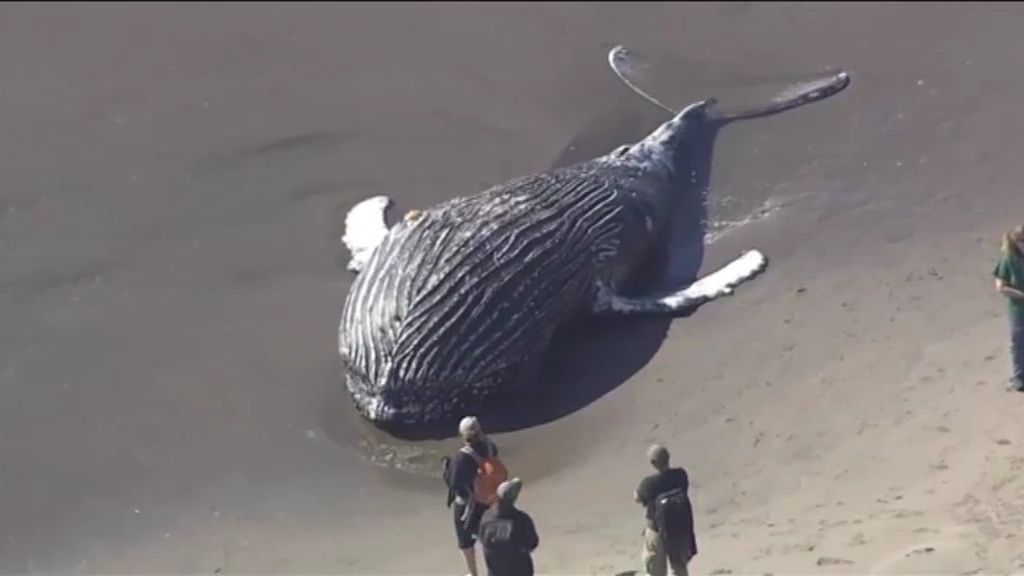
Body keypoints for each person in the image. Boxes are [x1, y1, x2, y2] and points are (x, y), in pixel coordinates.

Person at [444, 416, 509, 576]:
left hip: (469, 506)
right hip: (490, 501)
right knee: (488, 538)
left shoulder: (461, 458)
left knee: (466, 542)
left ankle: (473, 573)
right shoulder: (490, 447)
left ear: (463, 435)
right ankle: (492, 570)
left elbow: (454, 484)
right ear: (480, 430)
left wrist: (447, 469)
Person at [634, 444, 696, 576]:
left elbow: (637, 498)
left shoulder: (649, 483)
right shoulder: (680, 475)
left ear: (653, 463)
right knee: (679, 569)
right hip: (678, 529)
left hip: (656, 530)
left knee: (654, 571)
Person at [478, 478, 540, 576]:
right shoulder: (521, 519)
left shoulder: (486, 517)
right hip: (520, 570)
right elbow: (532, 544)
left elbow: (482, 539)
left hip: (495, 570)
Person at [994, 225, 1024, 392]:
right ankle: (1019, 378)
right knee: (1019, 343)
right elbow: (1001, 287)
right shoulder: (1008, 260)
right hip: (1018, 310)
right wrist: (1021, 295)